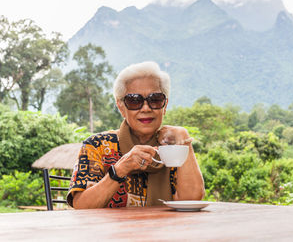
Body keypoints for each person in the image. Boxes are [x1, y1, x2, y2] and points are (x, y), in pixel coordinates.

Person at [67, 61, 205, 209]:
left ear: (164, 105)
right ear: (121, 107)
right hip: (113, 231)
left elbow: (191, 199)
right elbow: (81, 205)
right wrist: (120, 170)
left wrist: (184, 139)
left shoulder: (173, 146)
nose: (146, 108)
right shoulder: (98, 145)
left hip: (166, 231)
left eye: (155, 99)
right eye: (134, 101)